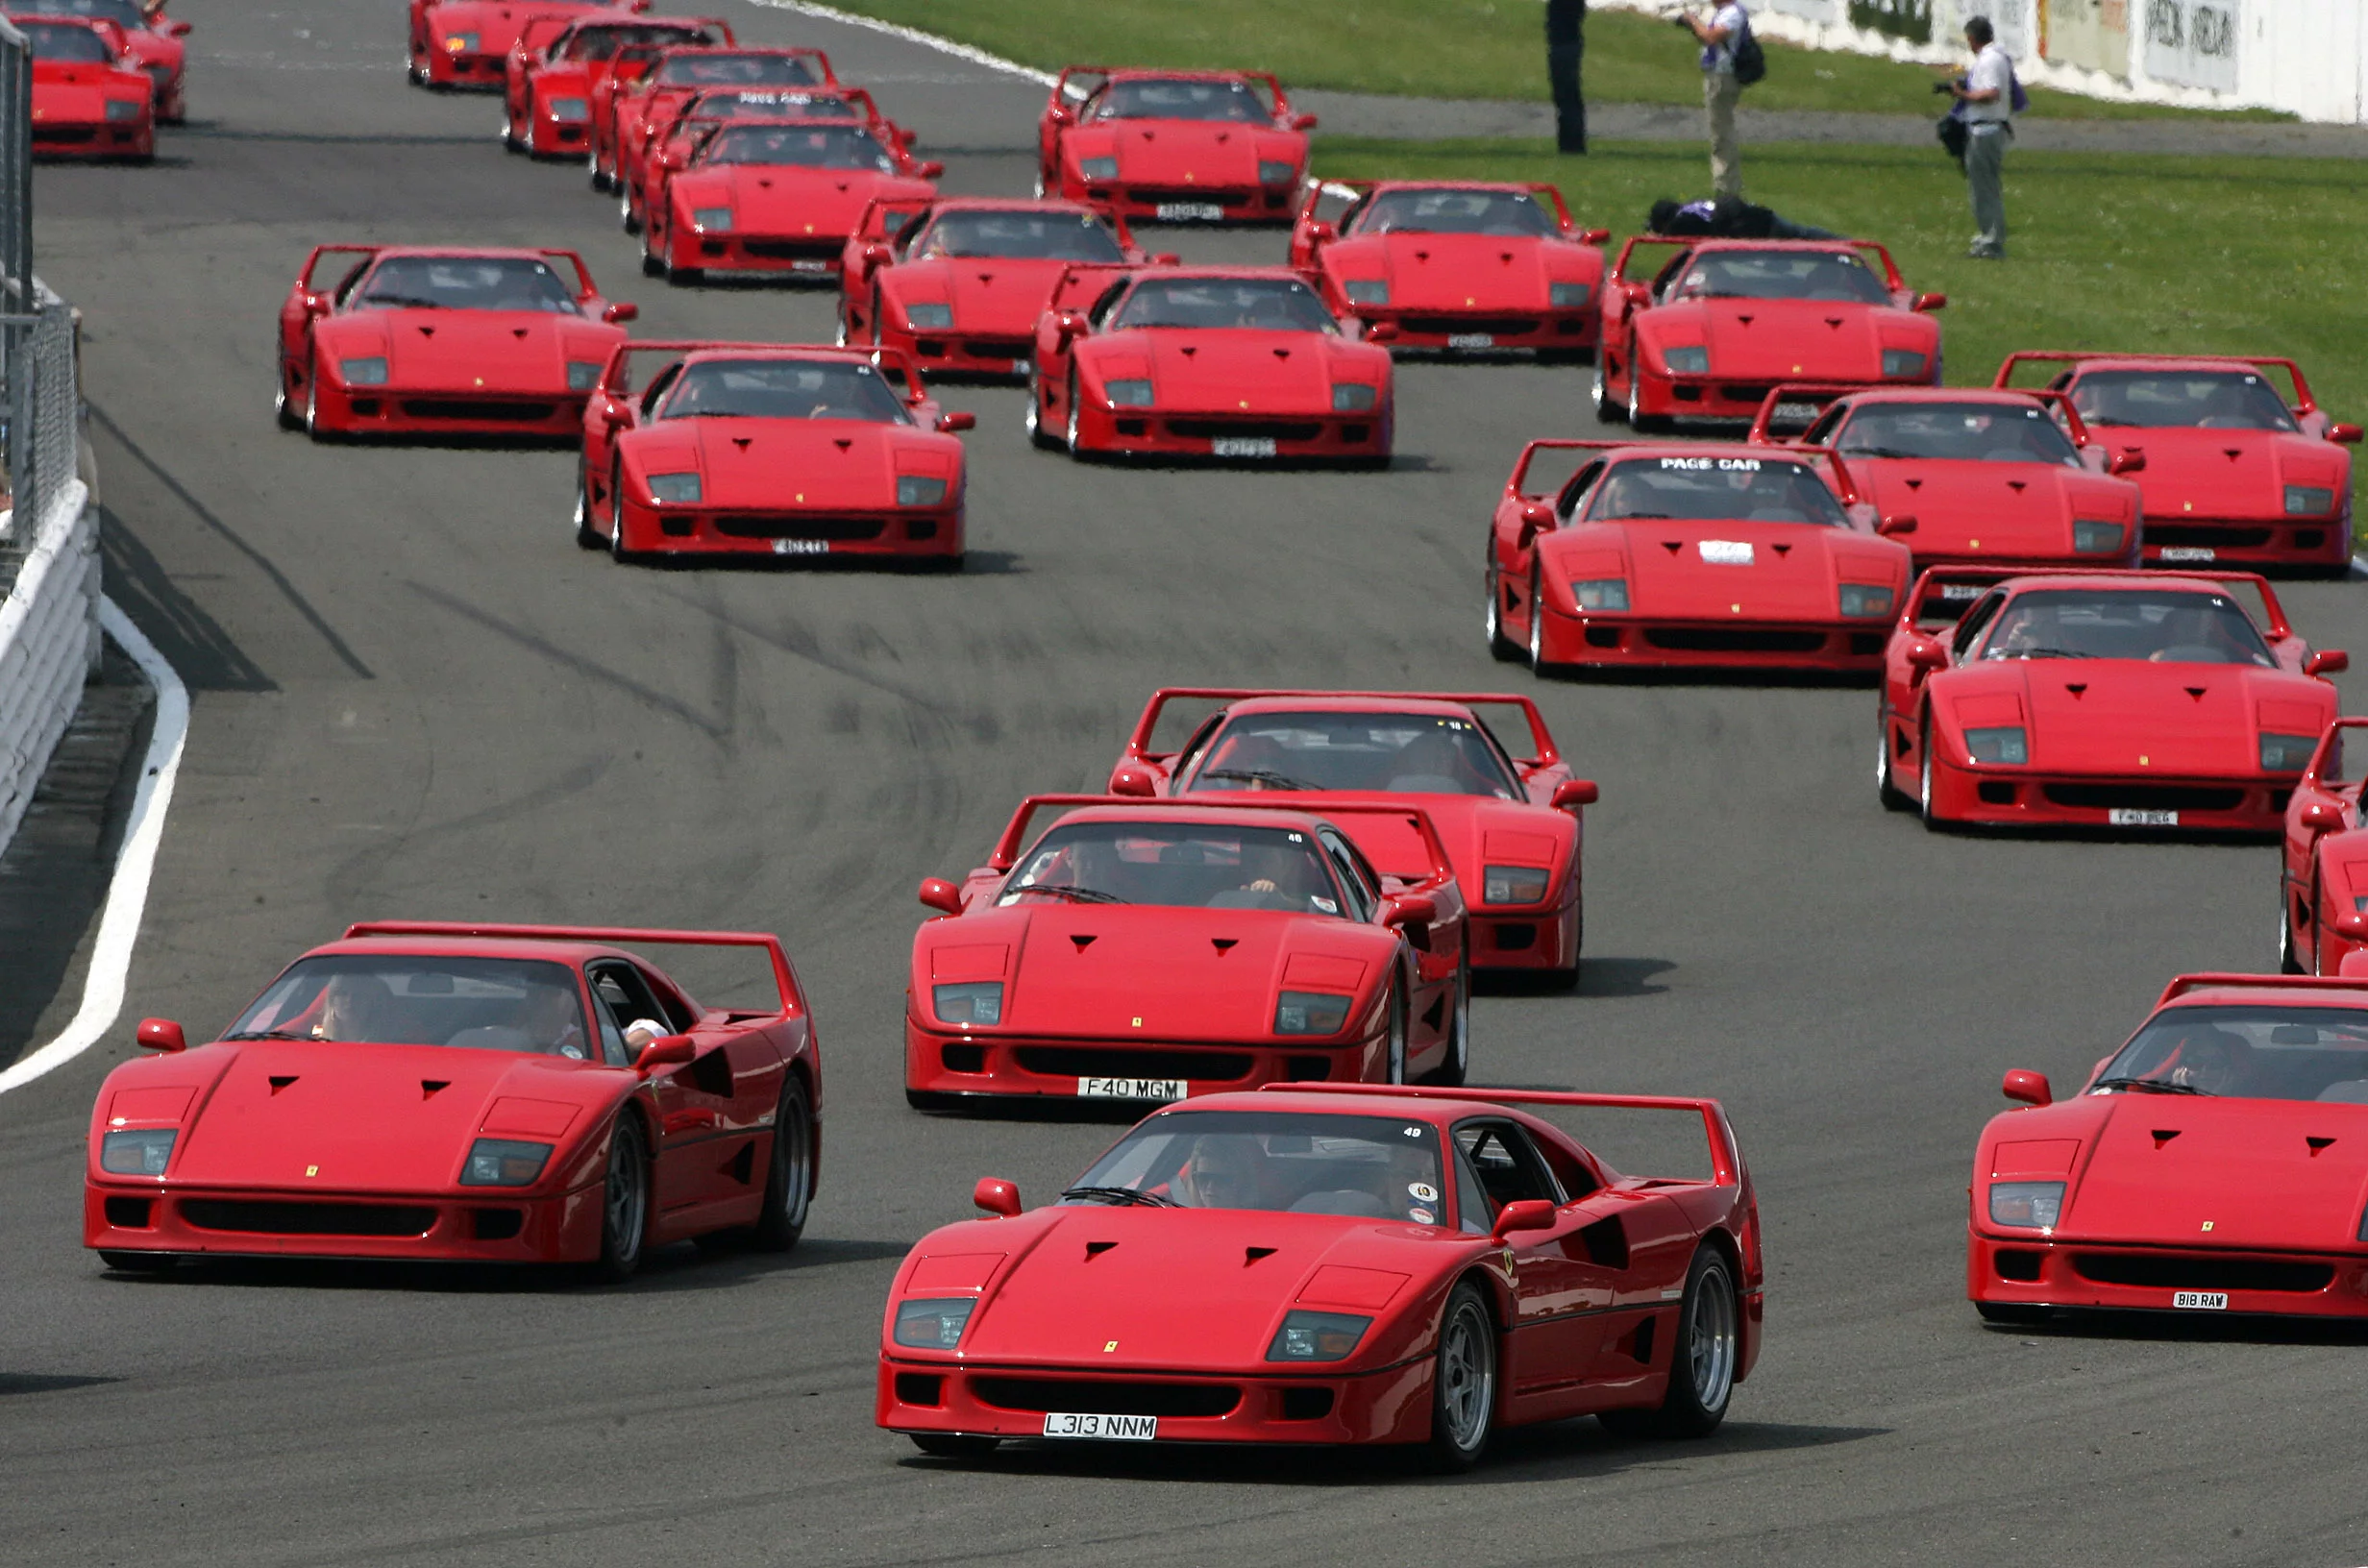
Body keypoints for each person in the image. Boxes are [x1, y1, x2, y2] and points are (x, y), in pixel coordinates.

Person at [1944, 15, 2014, 258]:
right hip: (1987, 128)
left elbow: (1991, 94)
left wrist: (1963, 94)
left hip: (1986, 130)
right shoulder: (1996, 57)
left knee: (1984, 189)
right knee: (1984, 187)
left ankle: (1991, 241)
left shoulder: (1990, 60)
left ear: (1973, 39)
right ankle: (1988, 238)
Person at [1680, 0, 1749, 199]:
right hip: (1716, 75)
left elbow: (1711, 37)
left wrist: (1692, 20)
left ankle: (1727, 188)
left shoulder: (1732, 13)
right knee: (1718, 132)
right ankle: (1725, 185)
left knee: (1722, 134)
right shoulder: (1723, 13)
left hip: (1723, 78)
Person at [1647, 194, 1838, 241]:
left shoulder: (1681, 221)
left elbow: (1677, 233)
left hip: (1761, 229)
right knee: (1803, 234)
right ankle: (1844, 242)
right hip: (1762, 218)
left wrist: (1661, 237)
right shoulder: (1691, 207)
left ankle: (1845, 244)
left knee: (1802, 238)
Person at [1546, 0, 1587, 154]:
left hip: (1563, 44)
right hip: (1566, 41)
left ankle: (1571, 144)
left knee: (1566, 92)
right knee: (1567, 92)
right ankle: (1571, 143)